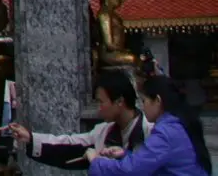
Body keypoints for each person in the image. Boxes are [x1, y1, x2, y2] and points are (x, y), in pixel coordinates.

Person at [9, 71, 153, 169]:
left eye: (101, 102)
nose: (99, 109)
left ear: (119, 101)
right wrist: (30, 138)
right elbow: (70, 145)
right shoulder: (104, 132)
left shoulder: (151, 131)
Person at [85, 75, 211, 176]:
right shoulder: (175, 125)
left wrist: (96, 161)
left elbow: (132, 170)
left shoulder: (166, 132)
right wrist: (124, 154)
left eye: (144, 101)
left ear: (157, 100)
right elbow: (149, 162)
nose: (142, 106)